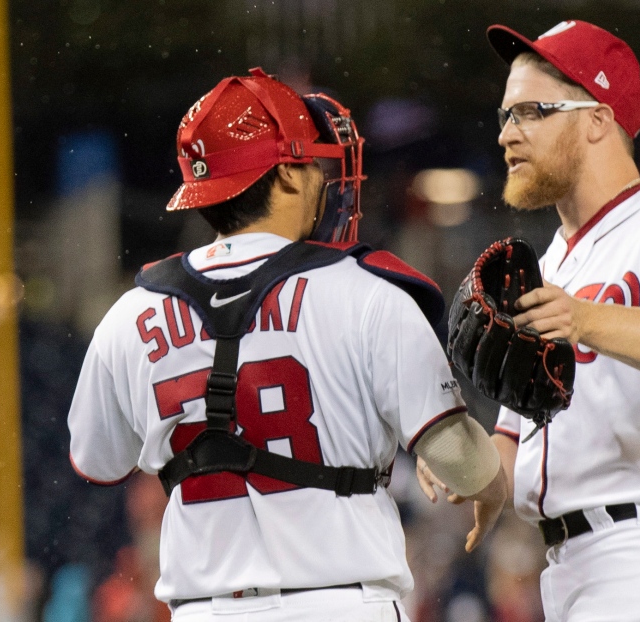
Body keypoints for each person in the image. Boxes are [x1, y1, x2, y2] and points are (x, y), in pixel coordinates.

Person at [67, 67, 506, 621]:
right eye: (313, 162)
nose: (324, 178)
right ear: (288, 176)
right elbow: (458, 459)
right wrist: (492, 484)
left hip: (206, 608)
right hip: (342, 602)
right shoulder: (367, 293)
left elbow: (97, 460)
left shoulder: (128, 314)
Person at [431, 20, 640, 622]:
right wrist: (467, 465)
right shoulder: (551, 262)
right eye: (505, 116)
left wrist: (582, 317)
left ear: (598, 120)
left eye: (530, 112)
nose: (507, 134)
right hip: (569, 564)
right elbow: (513, 435)